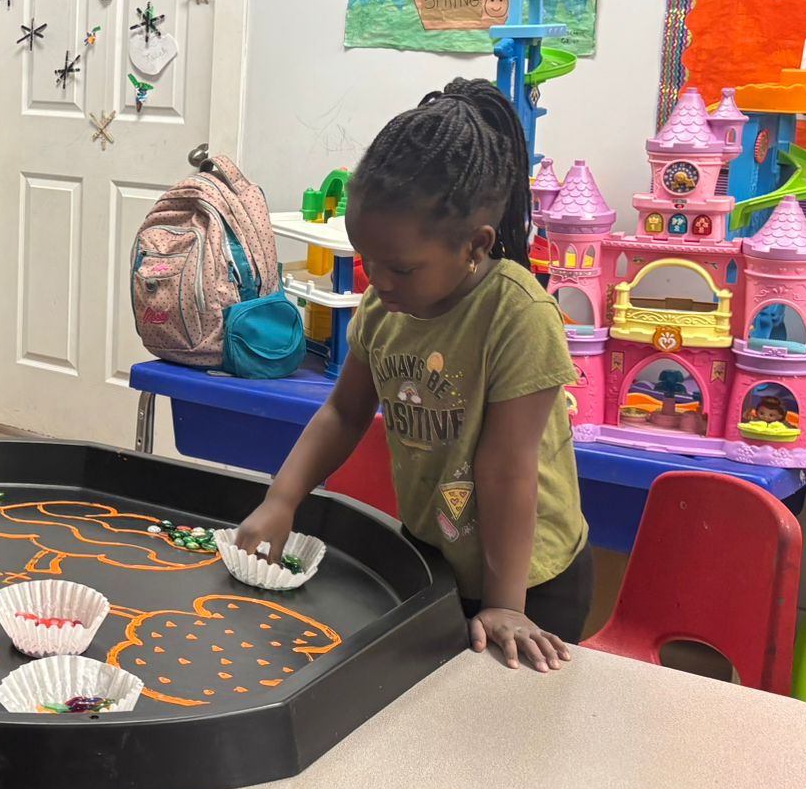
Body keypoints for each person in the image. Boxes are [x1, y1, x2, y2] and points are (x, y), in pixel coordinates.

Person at [235, 78, 589, 672]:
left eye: (399, 268)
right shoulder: (384, 309)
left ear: (474, 246)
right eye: (366, 260)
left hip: (529, 583)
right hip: (435, 558)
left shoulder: (517, 314)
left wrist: (506, 604)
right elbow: (343, 412)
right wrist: (282, 499)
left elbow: (507, 467)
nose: (378, 281)